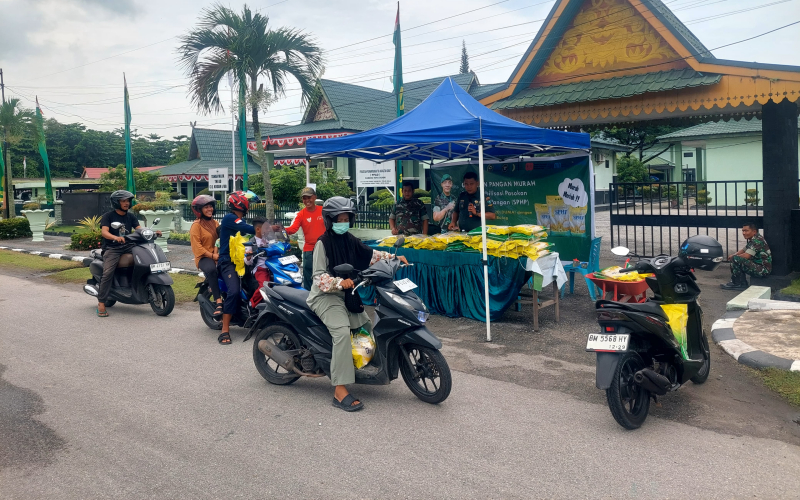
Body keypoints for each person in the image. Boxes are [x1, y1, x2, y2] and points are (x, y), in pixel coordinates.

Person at [307, 197, 408, 412]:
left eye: (346, 219)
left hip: (347, 294)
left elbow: (371, 255)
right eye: (339, 219)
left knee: (365, 325)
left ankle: (356, 365)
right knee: (342, 332)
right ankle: (339, 389)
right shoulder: (322, 243)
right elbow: (318, 276)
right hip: (325, 296)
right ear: (329, 220)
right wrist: (338, 281)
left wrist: (394, 258)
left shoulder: (350, 239)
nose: (343, 222)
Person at [96, 190, 161, 317]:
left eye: (128, 201)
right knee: (108, 272)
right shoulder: (108, 216)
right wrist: (115, 238)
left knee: (145, 259)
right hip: (112, 248)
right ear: (116, 202)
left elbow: (139, 230)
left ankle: (137, 286)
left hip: (129, 246)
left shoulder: (131, 216)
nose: (126, 203)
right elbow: (104, 232)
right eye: (123, 201)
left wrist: (152, 233)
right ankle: (101, 302)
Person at [217, 191, 257, 345]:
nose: (249, 204)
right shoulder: (230, 218)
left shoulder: (241, 220)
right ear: (240, 203)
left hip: (242, 261)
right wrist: (266, 226)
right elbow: (251, 229)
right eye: (248, 202)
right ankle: (225, 329)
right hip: (227, 262)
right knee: (234, 291)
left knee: (258, 283)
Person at [284, 187, 326, 290]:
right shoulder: (301, 214)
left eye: (309, 197)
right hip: (309, 250)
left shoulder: (323, 211)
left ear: (315, 197)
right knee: (308, 277)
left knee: (324, 274)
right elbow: (293, 229)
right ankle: (307, 299)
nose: (307, 201)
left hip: (324, 248)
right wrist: (282, 229)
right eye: (304, 198)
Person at [189, 194, 222, 319]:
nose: (210, 209)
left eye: (211, 206)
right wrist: (213, 257)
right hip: (203, 257)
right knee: (212, 270)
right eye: (206, 207)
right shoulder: (196, 226)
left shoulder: (215, 223)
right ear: (199, 210)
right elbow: (198, 248)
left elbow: (220, 240)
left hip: (216, 254)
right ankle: (218, 301)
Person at [720, 222, 772, 290]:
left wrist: (734, 258)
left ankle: (739, 283)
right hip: (758, 266)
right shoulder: (754, 239)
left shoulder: (757, 241)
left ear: (754, 231)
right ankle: (738, 282)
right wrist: (734, 255)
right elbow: (744, 250)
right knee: (735, 258)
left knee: (736, 259)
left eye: (746, 231)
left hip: (762, 270)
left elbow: (746, 256)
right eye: (743, 231)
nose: (744, 233)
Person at [244, 216, 269, 305]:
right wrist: (248, 257)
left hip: (272, 267)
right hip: (260, 269)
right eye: (266, 228)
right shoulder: (251, 243)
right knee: (264, 287)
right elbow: (248, 262)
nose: (269, 230)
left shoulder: (269, 240)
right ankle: (251, 304)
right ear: (258, 229)